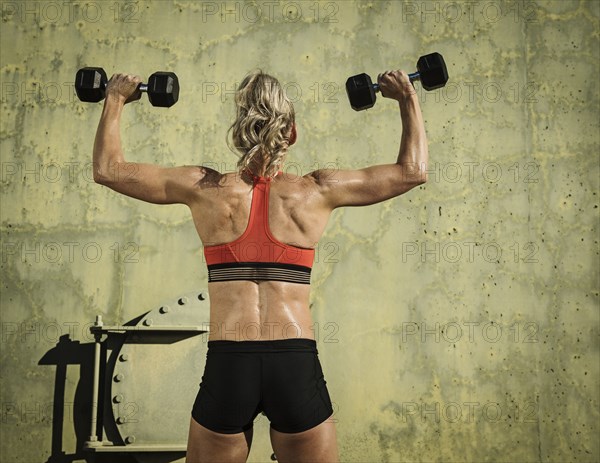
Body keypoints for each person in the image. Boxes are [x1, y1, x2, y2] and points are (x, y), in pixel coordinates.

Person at [92, 68, 428, 463]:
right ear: (293, 133)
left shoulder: (204, 188)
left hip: (229, 362)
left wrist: (115, 98)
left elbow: (108, 170)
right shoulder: (316, 191)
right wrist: (407, 97)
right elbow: (412, 171)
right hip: (294, 361)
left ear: (238, 131)